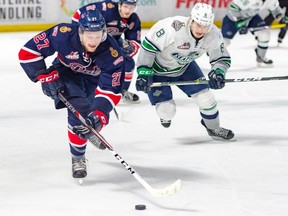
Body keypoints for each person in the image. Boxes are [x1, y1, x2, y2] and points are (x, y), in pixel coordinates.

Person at [18, 8, 125, 180]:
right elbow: (27, 52)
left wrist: (100, 114)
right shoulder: (62, 34)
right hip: (66, 73)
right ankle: (78, 158)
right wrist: (43, 75)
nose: (94, 41)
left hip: (94, 80)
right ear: (80, 32)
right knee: (79, 113)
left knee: (91, 116)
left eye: (98, 36)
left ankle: (91, 130)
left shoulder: (113, 53)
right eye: (90, 36)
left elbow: (111, 89)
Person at [135, 3, 234, 141]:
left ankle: (213, 128)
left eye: (205, 25)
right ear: (191, 19)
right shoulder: (171, 28)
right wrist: (144, 73)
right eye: (198, 24)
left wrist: (218, 72)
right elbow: (148, 48)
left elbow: (221, 58)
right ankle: (165, 115)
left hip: (185, 67)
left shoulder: (213, 34)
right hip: (158, 71)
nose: (201, 29)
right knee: (167, 111)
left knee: (206, 98)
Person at [72, 0, 141, 103]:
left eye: (132, 8)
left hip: (113, 43)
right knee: (87, 62)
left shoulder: (133, 19)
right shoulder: (106, 9)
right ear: (120, 5)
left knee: (128, 62)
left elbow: (135, 42)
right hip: (93, 40)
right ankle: (80, 89)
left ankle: (121, 91)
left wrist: (129, 48)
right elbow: (78, 14)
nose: (128, 10)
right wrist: (80, 36)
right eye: (126, 6)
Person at [221, 0, 283, 67]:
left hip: (251, 17)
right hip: (233, 19)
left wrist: (282, 18)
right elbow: (232, 8)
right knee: (224, 42)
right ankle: (216, 59)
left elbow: (276, 10)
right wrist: (240, 22)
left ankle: (261, 57)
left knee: (264, 34)